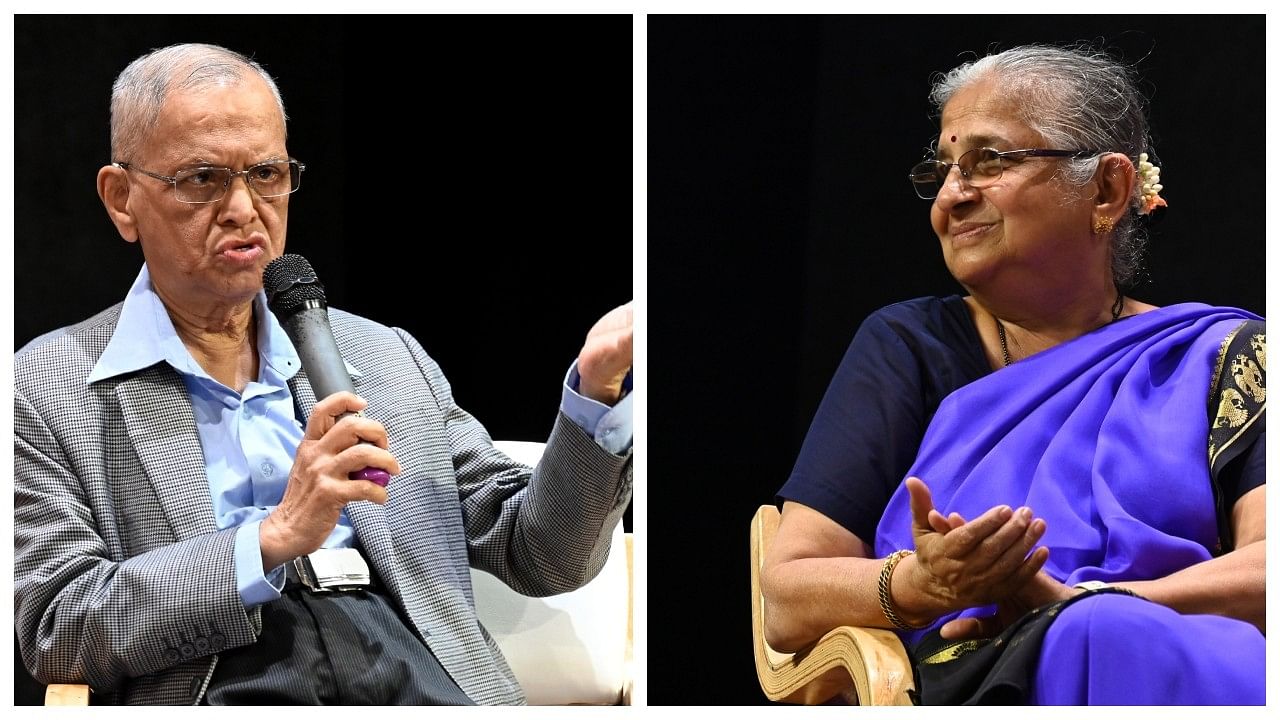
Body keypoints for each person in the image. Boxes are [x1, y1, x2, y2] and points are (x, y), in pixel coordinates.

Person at [13, 43, 633, 706]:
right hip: (223, 677)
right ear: (122, 199)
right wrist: (272, 538)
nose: (244, 209)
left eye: (267, 174)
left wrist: (595, 398)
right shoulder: (46, 387)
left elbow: (539, 553)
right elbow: (60, 626)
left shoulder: (387, 357)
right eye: (203, 180)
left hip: (411, 673)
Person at [761, 44, 1263, 705]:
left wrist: (1079, 603)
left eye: (989, 161)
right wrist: (925, 584)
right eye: (941, 171)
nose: (951, 196)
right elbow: (788, 596)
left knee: (1113, 635)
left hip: (1181, 644)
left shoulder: (1220, 352)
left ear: (1107, 189)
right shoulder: (909, 346)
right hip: (981, 670)